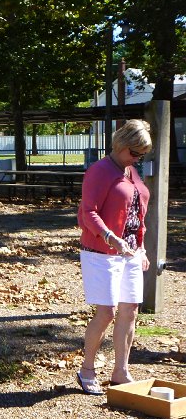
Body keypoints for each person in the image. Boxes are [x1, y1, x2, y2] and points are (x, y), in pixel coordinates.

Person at [76, 119, 152, 395]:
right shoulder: (100, 170)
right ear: (121, 144)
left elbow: (136, 212)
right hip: (102, 251)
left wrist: (141, 248)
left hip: (130, 251)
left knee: (130, 310)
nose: (138, 158)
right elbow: (89, 212)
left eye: (142, 154)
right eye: (135, 152)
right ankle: (87, 369)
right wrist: (111, 237)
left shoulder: (131, 171)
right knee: (106, 312)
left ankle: (121, 371)